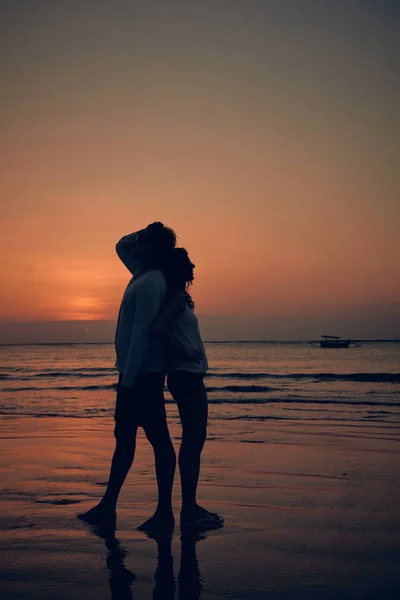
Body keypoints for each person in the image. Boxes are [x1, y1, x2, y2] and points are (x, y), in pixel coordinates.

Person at [78, 222, 177, 531]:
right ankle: (109, 506)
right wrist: (145, 231)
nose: (137, 243)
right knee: (125, 440)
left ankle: (163, 511)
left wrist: (128, 382)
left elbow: (141, 337)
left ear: (155, 249)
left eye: (145, 240)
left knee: (157, 440)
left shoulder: (150, 282)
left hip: (142, 377)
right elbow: (121, 244)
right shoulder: (140, 272)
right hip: (136, 374)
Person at [152, 248, 223, 529]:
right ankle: (189, 509)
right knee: (194, 441)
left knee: (193, 441)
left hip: (185, 376)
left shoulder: (176, 298)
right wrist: (183, 350)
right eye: (187, 263)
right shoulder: (177, 298)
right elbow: (157, 328)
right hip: (186, 376)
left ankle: (190, 506)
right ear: (177, 269)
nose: (193, 266)